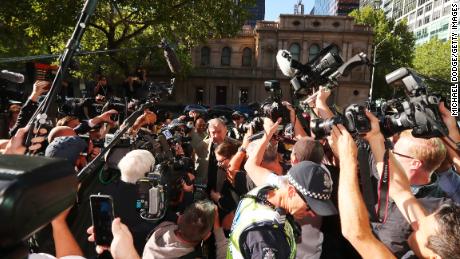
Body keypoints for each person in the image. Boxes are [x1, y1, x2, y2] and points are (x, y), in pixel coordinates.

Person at [330, 109, 460, 259]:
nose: (415, 223)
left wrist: (348, 160)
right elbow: (401, 191)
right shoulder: (435, 233)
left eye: (419, 230)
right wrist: (375, 137)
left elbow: (356, 233)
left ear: (435, 256)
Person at [227, 160, 337, 258]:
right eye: (309, 206)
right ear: (291, 192)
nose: (313, 214)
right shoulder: (267, 236)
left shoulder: (267, 191)